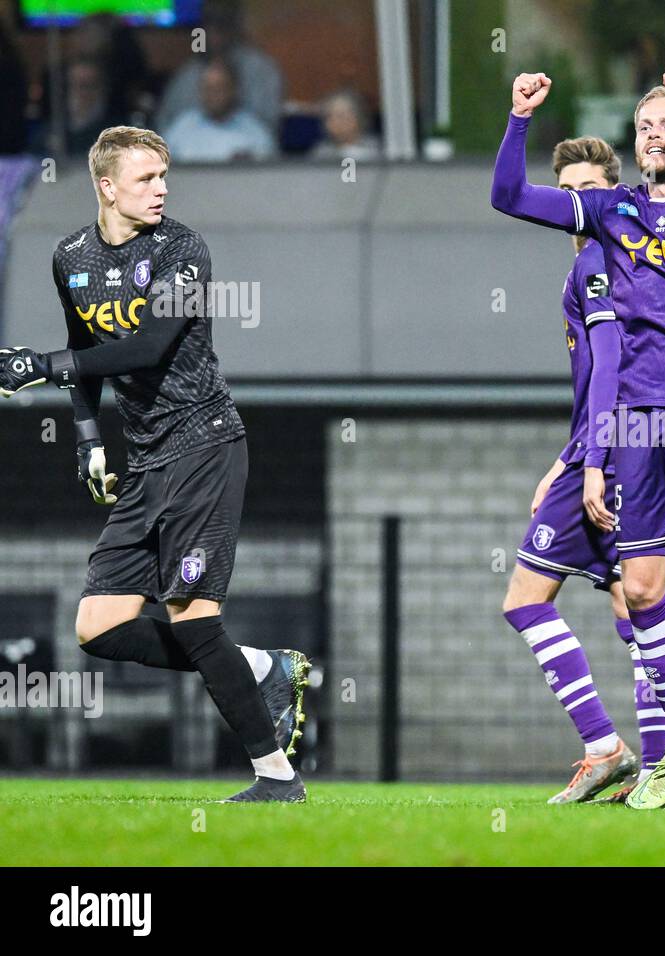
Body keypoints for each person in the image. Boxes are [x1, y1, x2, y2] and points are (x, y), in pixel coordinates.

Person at [0, 126, 309, 802]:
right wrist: (88, 440)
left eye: (164, 175)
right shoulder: (70, 256)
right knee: (97, 628)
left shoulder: (183, 249)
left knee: (192, 617)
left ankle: (276, 779)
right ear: (106, 187)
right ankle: (262, 666)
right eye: (145, 178)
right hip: (144, 462)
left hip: (205, 444)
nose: (161, 187)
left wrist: (40, 367)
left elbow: (148, 344)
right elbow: (87, 351)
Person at [492, 67, 665, 809]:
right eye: (643, 126)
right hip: (637, 423)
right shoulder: (612, 213)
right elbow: (508, 196)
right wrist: (518, 119)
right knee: (639, 591)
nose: (652, 133)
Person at [501, 135, 665, 804]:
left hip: (608, 455)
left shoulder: (595, 262)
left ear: (613, 194)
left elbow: (606, 369)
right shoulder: (623, 259)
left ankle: (606, 746)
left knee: (524, 599)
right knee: (632, 600)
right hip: (630, 446)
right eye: (566, 191)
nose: (576, 203)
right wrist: (567, 455)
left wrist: (587, 462)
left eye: (589, 191)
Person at [155, 0, 282, 134]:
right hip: (191, 152)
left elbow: (267, 131)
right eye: (209, 24)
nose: (214, 34)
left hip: (245, 151)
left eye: (222, 25)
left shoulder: (261, 71)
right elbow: (165, 126)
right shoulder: (188, 74)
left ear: (235, 27)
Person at [162, 58, 276, 163]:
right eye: (208, 88)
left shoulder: (255, 132)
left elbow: (269, 174)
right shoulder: (181, 128)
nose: (213, 95)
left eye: (219, 88)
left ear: (233, 90)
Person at [310, 90, 381, 163]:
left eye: (340, 116)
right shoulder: (321, 152)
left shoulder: (376, 150)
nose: (334, 122)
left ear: (358, 118)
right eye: (329, 116)